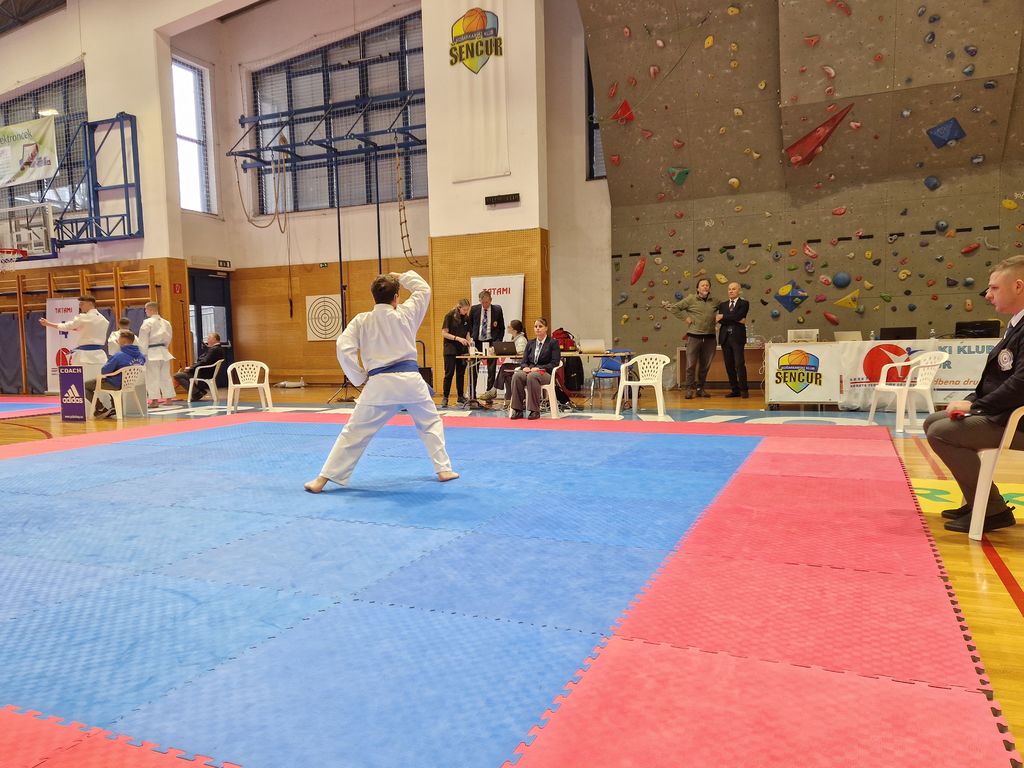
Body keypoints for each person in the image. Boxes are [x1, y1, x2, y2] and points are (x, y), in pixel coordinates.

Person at [304, 271, 458, 493]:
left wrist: (358, 376)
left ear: (373, 296)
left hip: (379, 385)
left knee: (354, 432)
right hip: (411, 383)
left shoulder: (362, 320)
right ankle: (443, 469)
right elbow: (423, 289)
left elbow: (343, 346)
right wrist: (402, 276)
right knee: (430, 423)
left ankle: (322, 479)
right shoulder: (406, 313)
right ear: (396, 297)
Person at [924, 254, 1024, 533]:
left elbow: (1021, 384)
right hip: (1008, 414)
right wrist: (970, 401)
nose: (988, 295)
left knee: (942, 432)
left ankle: (992, 510)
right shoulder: (1016, 325)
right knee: (933, 421)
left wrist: (976, 408)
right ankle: (978, 502)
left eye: (994, 288)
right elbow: (998, 380)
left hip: (1018, 420)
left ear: (1018, 286)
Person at [39, 294, 110, 393]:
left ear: (90, 304)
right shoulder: (104, 320)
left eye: (82, 304)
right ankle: (98, 401)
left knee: (81, 383)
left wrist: (48, 323)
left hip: (84, 357)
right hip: (99, 356)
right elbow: (88, 329)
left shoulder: (83, 317)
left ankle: (83, 400)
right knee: (97, 383)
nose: (80, 306)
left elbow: (67, 326)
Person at [664, 277, 717, 399]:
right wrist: (685, 318)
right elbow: (675, 308)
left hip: (710, 338)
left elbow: (726, 309)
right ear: (697, 288)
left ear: (709, 288)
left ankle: (700, 388)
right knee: (691, 364)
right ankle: (688, 389)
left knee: (705, 365)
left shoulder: (715, 301)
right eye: (702, 285)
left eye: (707, 285)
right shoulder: (691, 299)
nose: (705, 287)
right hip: (694, 337)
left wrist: (720, 317)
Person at [84, 329, 146, 419]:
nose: (117, 341)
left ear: (124, 341)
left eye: (119, 339)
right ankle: (114, 407)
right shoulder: (141, 356)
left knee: (85, 386)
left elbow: (104, 371)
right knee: (113, 378)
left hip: (115, 384)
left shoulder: (119, 355)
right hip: (130, 384)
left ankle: (100, 408)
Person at [509, 317, 561, 420]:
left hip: (545, 373)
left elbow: (554, 363)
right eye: (535, 326)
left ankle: (534, 411)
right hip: (530, 371)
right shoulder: (530, 343)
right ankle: (517, 410)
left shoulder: (553, 343)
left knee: (532, 376)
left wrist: (538, 368)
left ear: (546, 328)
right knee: (517, 376)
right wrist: (525, 367)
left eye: (540, 326)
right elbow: (524, 361)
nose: (537, 328)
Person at [138, 301, 176, 406]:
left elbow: (143, 339)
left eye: (146, 309)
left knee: (152, 376)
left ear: (150, 309)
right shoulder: (166, 322)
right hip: (164, 351)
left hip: (152, 353)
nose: (145, 311)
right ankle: (169, 399)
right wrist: (164, 347)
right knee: (165, 376)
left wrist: (142, 353)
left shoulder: (147, 322)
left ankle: (154, 400)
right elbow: (169, 338)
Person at [481, 319, 528, 403]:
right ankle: (508, 401)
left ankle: (493, 390)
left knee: (504, 367)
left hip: (522, 365)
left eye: (509, 327)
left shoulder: (521, 340)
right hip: (516, 365)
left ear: (514, 330)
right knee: (507, 375)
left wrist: (510, 351)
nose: (507, 328)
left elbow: (521, 352)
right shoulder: (515, 338)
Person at [716, 282, 750, 398]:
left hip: (737, 337)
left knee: (739, 364)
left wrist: (724, 316)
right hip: (725, 337)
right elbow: (721, 321)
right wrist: (734, 318)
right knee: (729, 365)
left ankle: (744, 389)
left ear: (739, 291)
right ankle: (735, 390)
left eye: (734, 289)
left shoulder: (744, 303)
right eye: (729, 289)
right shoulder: (722, 305)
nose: (731, 291)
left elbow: (739, 316)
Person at [470, 289, 505, 398]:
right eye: (483, 302)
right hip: (477, 342)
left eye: (487, 302)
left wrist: (497, 343)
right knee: (474, 368)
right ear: (480, 301)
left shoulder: (497, 310)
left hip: (491, 342)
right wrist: (471, 339)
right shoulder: (474, 309)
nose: (485, 305)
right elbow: (470, 325)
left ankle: (489, 393)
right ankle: (472, 394)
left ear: (491, 300)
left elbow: (501, 328)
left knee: (491, 368)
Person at [173, 332, 226, 401]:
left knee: (177, 375)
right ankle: (198, 392)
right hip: (206, 372)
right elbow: (204, 361)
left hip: (203, 373)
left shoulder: (214, 349)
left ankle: (197, 393)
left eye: (209, 339)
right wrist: (191, 368)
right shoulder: (218, 349)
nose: (207, 341)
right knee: (180, 375)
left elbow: (204, 362)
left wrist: (191, 368)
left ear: (214, 339)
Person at [440, 298, 471, 408]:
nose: (466, 312)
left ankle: (460, 396)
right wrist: (457, 338)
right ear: (459, 307)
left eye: (467, 310)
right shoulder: (449, 316)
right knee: (449, 374)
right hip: (450, 349)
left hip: (462, 349)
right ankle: (445, 397)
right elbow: (444, 333)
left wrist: (469, 343)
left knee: (460, 374)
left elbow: (467, 333)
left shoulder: (466, 318)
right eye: (464, 309)